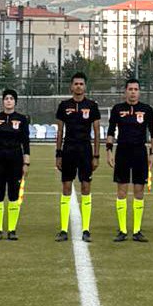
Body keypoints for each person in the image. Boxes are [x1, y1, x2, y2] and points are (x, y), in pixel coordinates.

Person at [105, 78, 153, 242]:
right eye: (130, 89)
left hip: (140, 153)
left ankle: (136, 231)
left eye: (136, 89)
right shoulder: (117, 109)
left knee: (139, 191)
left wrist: (152, 154)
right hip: (122, 152)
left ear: (139, 92)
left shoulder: (146, 109)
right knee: (121, 191)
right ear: (125, 91)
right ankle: (122, 230)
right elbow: (111, 131)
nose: (133, 92)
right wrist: (109, 151)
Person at [54, 73, 101, 242]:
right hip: (68, 150)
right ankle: (63, 229)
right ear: (71, 87)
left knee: (86, 187)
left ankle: (86, 229)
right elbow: (59, 131)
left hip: (85, 150)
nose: (79, 86)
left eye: (81, 83)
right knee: (66, 187)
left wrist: (96, 155)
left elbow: (96, 132)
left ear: (85, 86)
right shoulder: (64, 105)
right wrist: (58, 154)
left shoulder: (92, 106)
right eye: (76, 84)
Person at [0, 88, 31, 240]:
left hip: (16, 160)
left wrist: (26, 162)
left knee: (13, 194)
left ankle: (11, 229)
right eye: (6, 98)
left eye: (11, 98)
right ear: (3, 101)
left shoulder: (22, 119)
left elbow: (26, 141)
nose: (9, 101)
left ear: (15, 101)